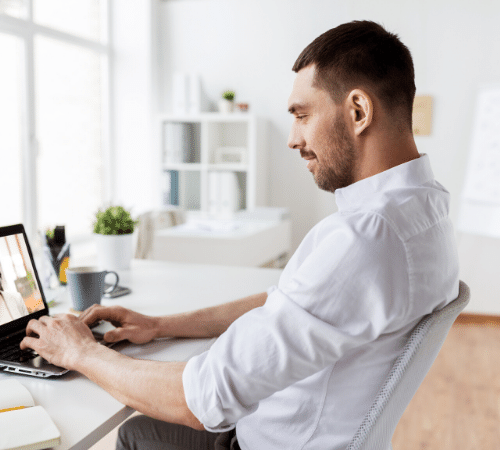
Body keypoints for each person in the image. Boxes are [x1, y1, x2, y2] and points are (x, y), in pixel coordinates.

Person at [21, 20, 459, 450]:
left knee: (136, 430)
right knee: (140, 430)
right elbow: (290, 301)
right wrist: (161, 325)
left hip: (264, 441)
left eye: (302, 116)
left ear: (359, 111)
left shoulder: (366, 238)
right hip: (293, 428)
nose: (293, 139)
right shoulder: (425, 207)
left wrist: (81, 353)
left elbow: (201, 399)